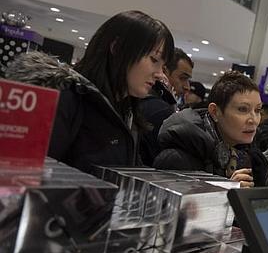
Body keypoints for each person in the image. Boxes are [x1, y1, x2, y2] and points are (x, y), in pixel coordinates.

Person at [6, 10, 174, 174]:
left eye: (162, 65)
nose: (160, 74)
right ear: (117, 47)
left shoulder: (126, 111)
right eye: (154, 60)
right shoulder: (65, 97)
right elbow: (20, 177)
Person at [154, 71, 268, 187]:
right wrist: (226, 191)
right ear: (215, 112)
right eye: (242, 109)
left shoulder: (251, 159)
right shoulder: (178, 158)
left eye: (258, 110)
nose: (254, 120)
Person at [139, 48, 193, 166]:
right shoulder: (160, 110)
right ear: (164, 72)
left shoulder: (156, 104)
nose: (187, 87)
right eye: (183, 78)